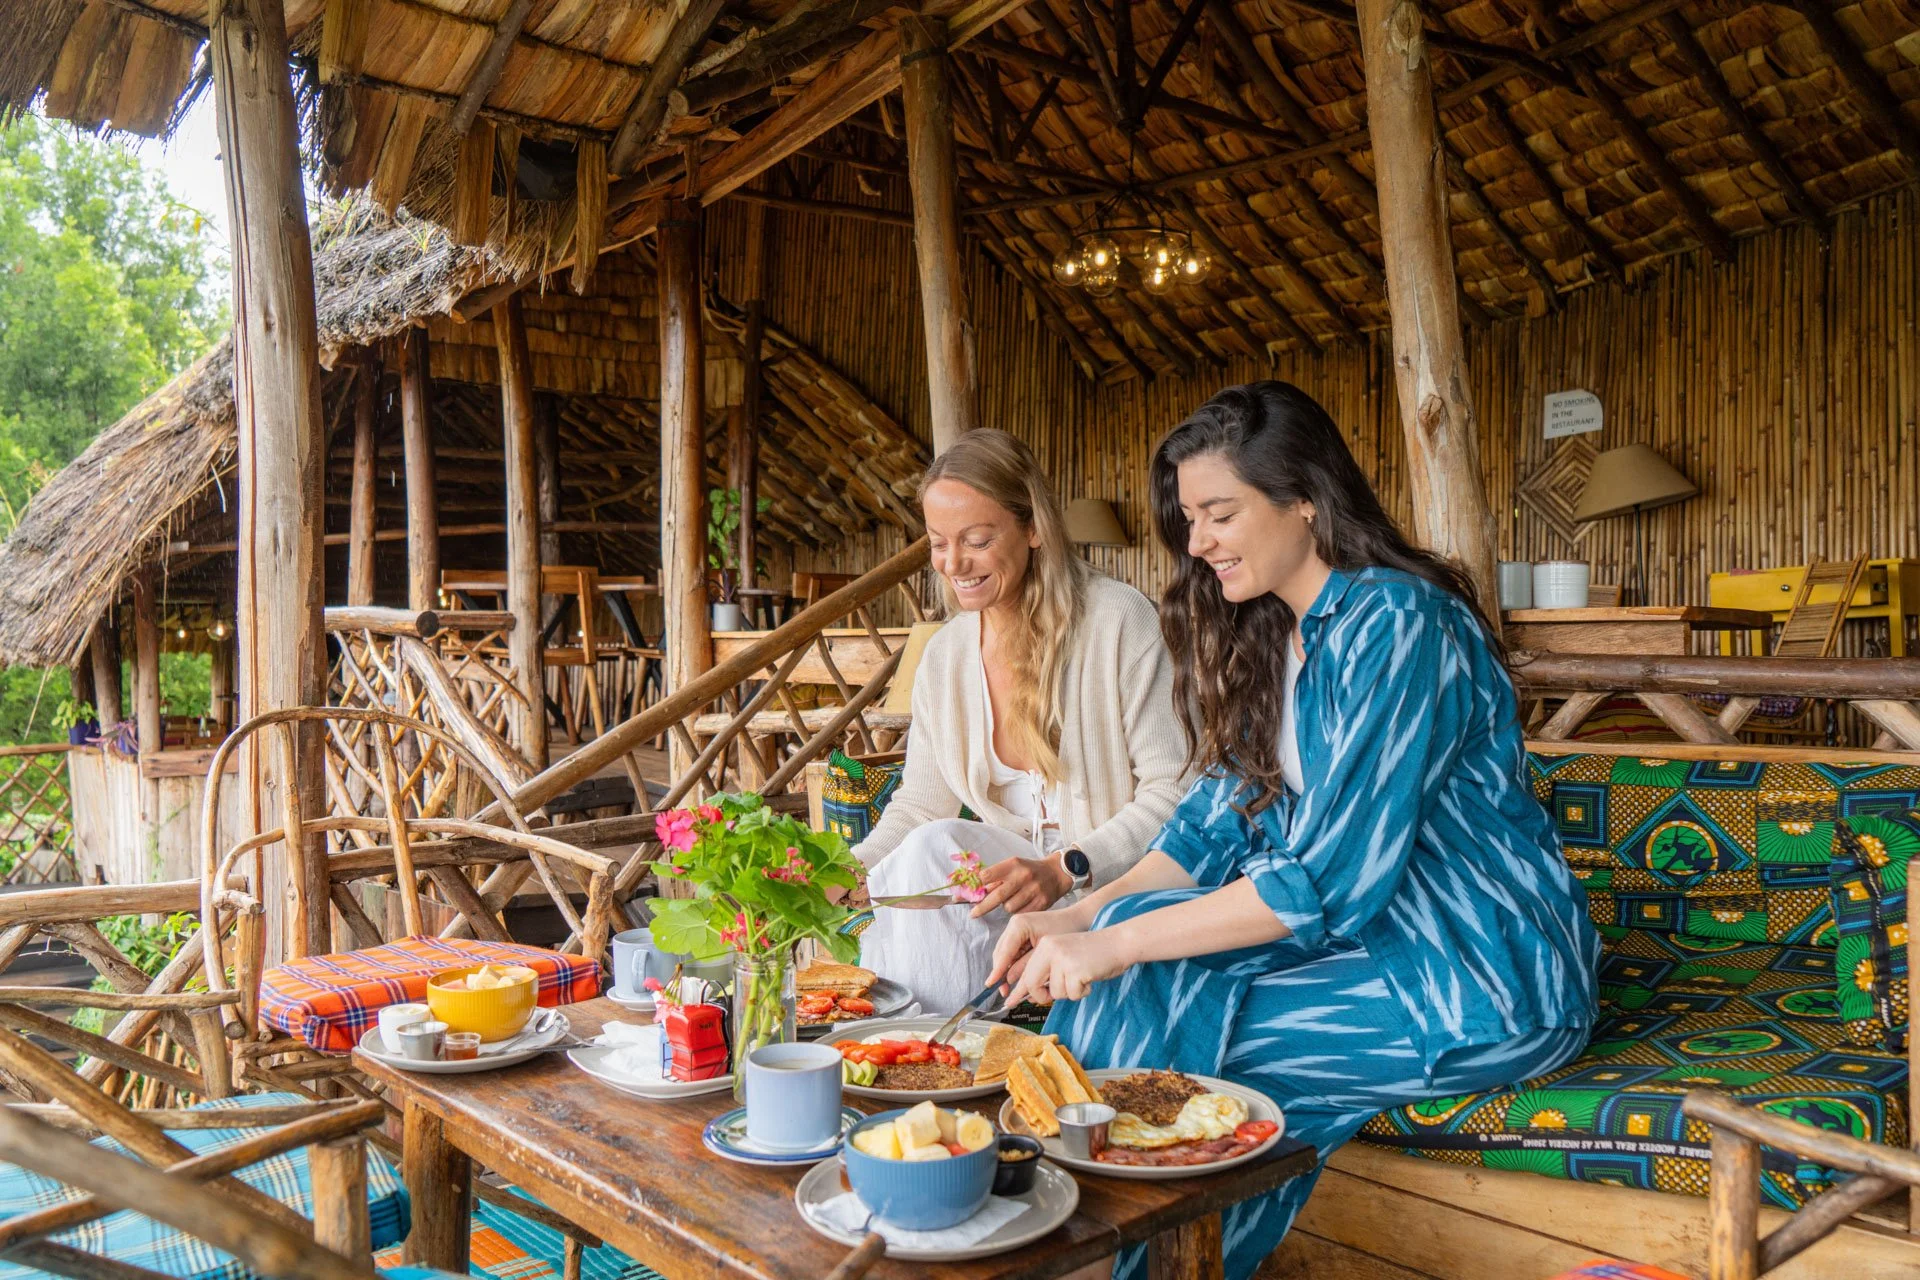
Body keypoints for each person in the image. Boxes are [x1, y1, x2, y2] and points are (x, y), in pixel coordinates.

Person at [989, 383, 1600, 1280]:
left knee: (1205, 1062)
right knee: (1142, 997)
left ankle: (1117, 1266)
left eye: (1220, 513)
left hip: (1478, 974)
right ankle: (1123, 1262)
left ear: (1305, 498)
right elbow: (1203, 831)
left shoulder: (1401, 626)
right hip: (1368, 953)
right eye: (1190, 517)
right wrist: (1081, 919)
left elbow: (1329, 877)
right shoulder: (1272, 633)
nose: (1196, 542)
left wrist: (1116, 947)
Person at [853, 428, 1190, 1012]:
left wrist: (1067, 869)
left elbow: (1175, 793)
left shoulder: (1118, 622)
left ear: (1033, 528)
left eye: (977, 540)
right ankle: (912, 1047)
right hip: (1006, 914)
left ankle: (916, 1046)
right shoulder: (946, 655)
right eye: (937, 543)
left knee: (936, 847)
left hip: (1112, 893)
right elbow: (918, 807)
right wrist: (845, 872)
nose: (953, 563)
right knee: (930, 849)